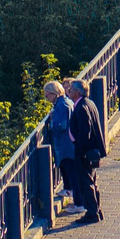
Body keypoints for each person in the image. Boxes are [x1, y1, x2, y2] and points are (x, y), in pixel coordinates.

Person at [65, 78, 107, 223]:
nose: (68, 92)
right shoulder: (89, 103)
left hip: (85, 152)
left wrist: (79, 149)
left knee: (86, 182)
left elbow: (85, 132)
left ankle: (92, 213)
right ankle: (96, 210)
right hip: (91, 151)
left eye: (70, 90)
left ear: (77, 92)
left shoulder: (82, 107)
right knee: (92, 181)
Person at [41, 80, 78, 212]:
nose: (46, 98)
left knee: (69, 169)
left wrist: (52, 122)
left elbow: (61, 125)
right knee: (69, 169)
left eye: (47, 95)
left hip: (65, 143)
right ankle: (71, 191)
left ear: (54, 93)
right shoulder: (66, 102)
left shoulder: (61, 105)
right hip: (68, 143)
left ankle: (71, 193)